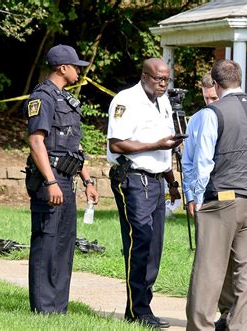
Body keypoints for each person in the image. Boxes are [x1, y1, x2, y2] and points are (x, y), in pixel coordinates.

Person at [182, 59, 247, 331]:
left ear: (214, 83)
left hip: (222, 198)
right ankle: (239, 326)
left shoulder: (212, 114)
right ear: (240, 79)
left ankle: (200, 326)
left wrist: (197, 197)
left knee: (209, 268)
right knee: (246, 270)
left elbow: (203, 161)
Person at [107, 58, 183, 329]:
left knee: (154, 246)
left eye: (166, 79)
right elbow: (116, 145)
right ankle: (138, 309)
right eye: (158, 78)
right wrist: (156, 144)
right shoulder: (126, 100)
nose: (163, 84)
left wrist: (172, 182)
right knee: (139, 241)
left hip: (157, 181)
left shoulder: (163, 102)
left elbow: (166, 149)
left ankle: (142, 306)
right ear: (144, 76)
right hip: (133, 179)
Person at [23, 44, 99, 314]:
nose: (79, 70)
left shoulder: (65, 99)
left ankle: (58, 308)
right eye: (76, 66)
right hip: (51, 179)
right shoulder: (42, 98)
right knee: (47, 240)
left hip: (67, 177)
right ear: (62, 68)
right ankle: (43, 308)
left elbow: (75, 146)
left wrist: (88, 181)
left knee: (65, 242)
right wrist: (50, 181)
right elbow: (36, 141)